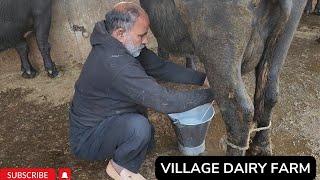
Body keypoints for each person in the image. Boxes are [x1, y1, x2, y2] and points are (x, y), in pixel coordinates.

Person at [69, 2, 214, 179]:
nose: (146, 41)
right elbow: (165, 101)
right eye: (142, 35)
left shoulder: (119, 43)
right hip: (88, 137)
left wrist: (203, 79)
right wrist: (215, 93)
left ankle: (126, 142)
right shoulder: (116, 64)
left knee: (146, 137)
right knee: (139, 128)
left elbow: (160, 67)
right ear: (121, 33)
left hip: (109, 117)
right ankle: (118, 167)